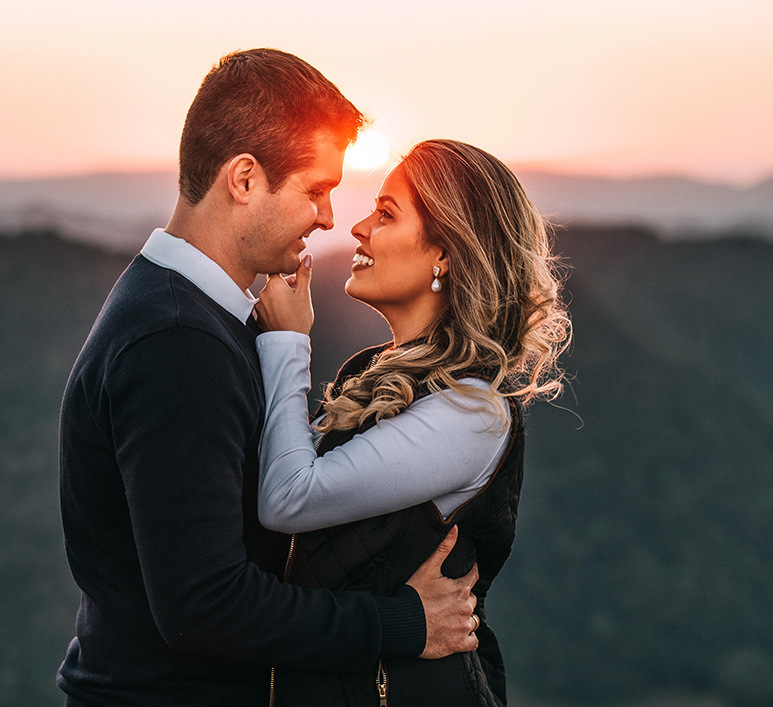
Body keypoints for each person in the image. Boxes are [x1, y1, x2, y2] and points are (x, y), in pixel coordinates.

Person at [56, 50, 481, 706]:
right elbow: (205, 604)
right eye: (316, 189)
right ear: (245, 179)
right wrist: (402, 621)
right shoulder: (176, 341)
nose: (329, 217)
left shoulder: (189, 314)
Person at [254, 138, 571, 706]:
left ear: (443, 255)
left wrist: (286, 344)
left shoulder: (472, 414)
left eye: (386, 214)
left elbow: (288, 496)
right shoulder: (376, 376)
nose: (358, 228)